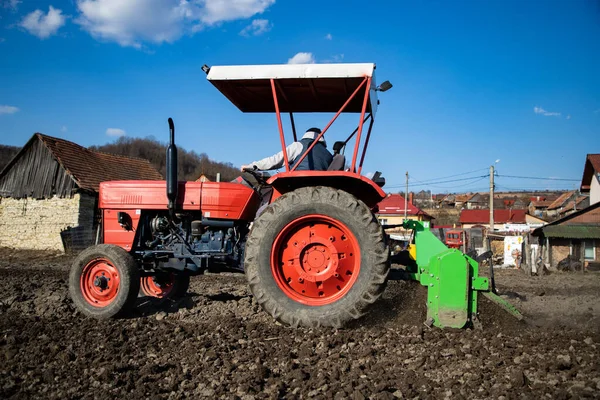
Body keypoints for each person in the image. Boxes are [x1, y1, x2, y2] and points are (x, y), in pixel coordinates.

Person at [240, 127, 333, 172]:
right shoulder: (328, 154)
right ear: (322, 138)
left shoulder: (299, 145)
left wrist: (252, 166)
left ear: (306, 135)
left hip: (298, 184)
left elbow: (275, 160)